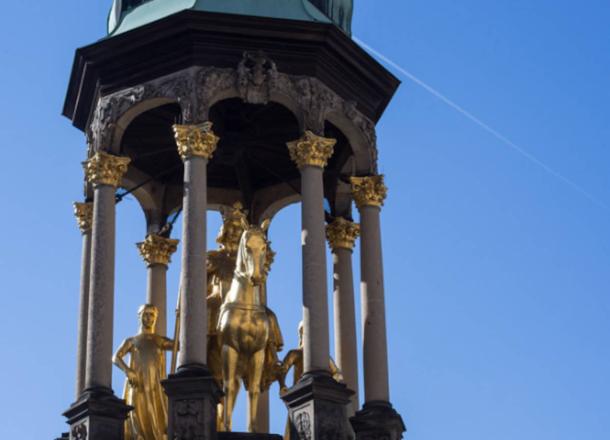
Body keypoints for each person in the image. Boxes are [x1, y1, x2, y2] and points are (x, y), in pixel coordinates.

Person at [113, 304, 174, 440]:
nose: (148, 318)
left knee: (155, 414)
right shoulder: (132, 341)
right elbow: (116, 357)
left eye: (151, 315)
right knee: (136, 413)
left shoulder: (159, 340)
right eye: (145, 314)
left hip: (155, 387)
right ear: (139, 316)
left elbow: (179, 346)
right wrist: (128, 371)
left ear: (156, 318)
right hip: (138, 384)